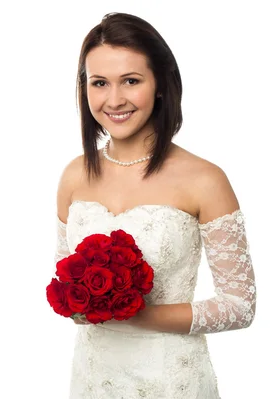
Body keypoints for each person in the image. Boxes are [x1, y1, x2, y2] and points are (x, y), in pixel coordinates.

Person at [53, 12, 257, 398]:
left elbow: (240, 306)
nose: (114, 100)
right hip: (94, 379)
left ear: (160, 84)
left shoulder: (204, 179)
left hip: (171, 381)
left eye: (131, 81)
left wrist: (134, 313)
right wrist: (84, 302)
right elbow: (66, 284)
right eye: (99, 83)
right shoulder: (74, 175)